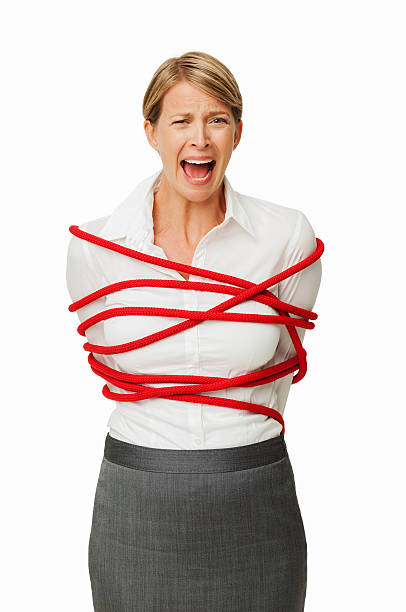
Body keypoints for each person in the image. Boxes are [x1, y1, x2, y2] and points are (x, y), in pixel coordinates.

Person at [66, 50, 323, 612]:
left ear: (237, 132)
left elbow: (281, 370)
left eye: (217, 120)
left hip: (255, 499)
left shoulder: (286, 240)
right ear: (151, 132)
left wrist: (238, 435)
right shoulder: (95, 250)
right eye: (181, 121)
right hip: (138, 504)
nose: (200, 139)